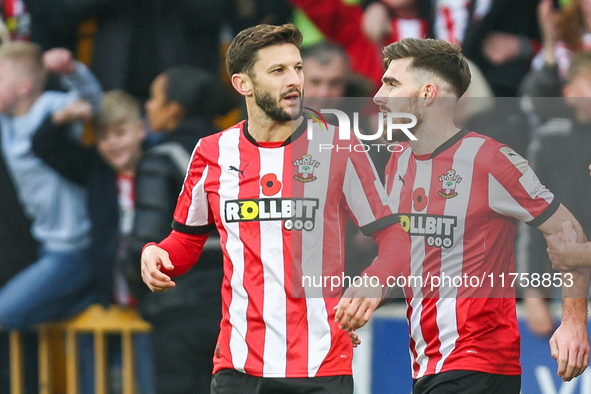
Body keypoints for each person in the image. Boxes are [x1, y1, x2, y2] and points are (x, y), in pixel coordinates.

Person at [140, 23, 411, 393]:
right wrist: (155, 252)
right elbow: (185, 243)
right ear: (243, 84)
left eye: (297, 68)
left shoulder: (340, 147)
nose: (294, 81)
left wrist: (374, 281)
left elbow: (395, 235)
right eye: (278, 71)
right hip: (239, 366)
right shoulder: (212, 153)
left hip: (322, 364)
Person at [366, 37, 589, 392]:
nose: (378, 95)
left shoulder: (491, 160)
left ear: (426, 94)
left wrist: (574, 322)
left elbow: (568, 229)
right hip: (428, 363)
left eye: (391, 83)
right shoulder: (398, 161)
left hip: (478, 362)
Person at [32, 90, 155, 394]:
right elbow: (44, 146)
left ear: (140, 130)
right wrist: (64, 115)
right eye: (103, 137)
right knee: (100, 379)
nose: (112, 143)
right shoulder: (96, 171)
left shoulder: (159, 165)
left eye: (120, 132)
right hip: (109, 295)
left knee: (151, 382)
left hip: (152, 305)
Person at [123, 66, 227, 394]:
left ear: (174, 110)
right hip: (235, 307)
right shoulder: (235, 153)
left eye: (155, 98)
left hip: (177, 311)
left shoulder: (159, 160)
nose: (148, 107)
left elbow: (147, 238)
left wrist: (135, 284)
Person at [0, 42, 102, 331]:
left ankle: (90, 293)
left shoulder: (50, 106)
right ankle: (85, 299)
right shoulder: (5, 122)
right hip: (47, 246)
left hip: (74, 247)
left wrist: (72, 71)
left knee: (4, 314)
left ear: (24, 87)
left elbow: (92, 101)